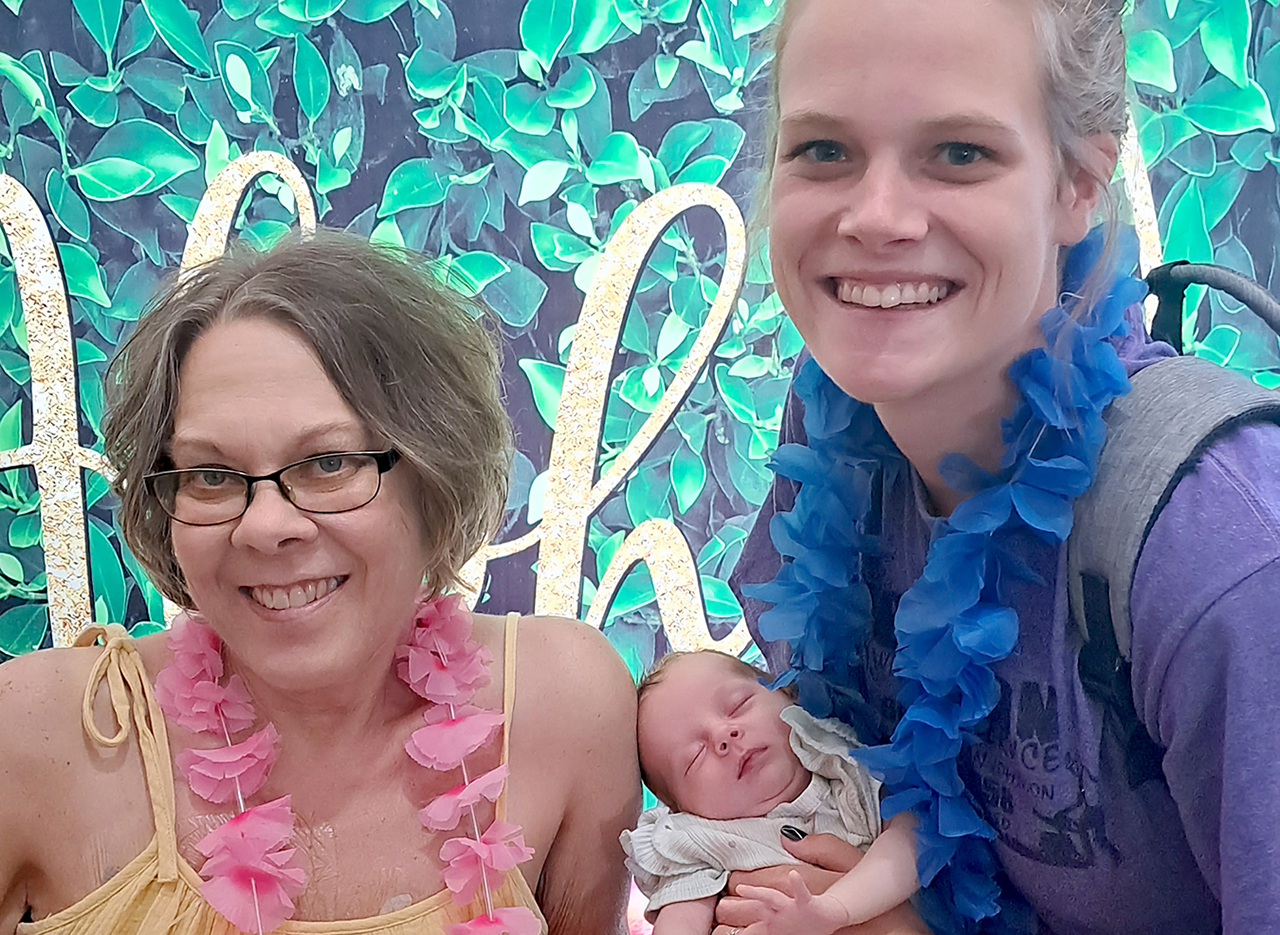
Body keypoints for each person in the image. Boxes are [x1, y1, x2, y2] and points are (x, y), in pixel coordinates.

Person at [723, 0, 1280, 933]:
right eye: (825, 150)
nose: (877, 217)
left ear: (1079, 183)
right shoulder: (831, 431)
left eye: (960, 153)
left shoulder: (1214, 545)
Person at [0, 230, 640, 935]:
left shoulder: (568, 708)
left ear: (433, 476)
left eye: (328, 463)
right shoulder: (35, 733)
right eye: (212, 475)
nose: (265, 525)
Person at [622, 650, 924, 935]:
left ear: (784, 691)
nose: (723, 736)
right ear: (683, 810)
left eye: (738, 705)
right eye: (695, 758)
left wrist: (835, 908)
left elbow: (912, 842)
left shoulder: (851, 767)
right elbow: (681, 920)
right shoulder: (702, 839)